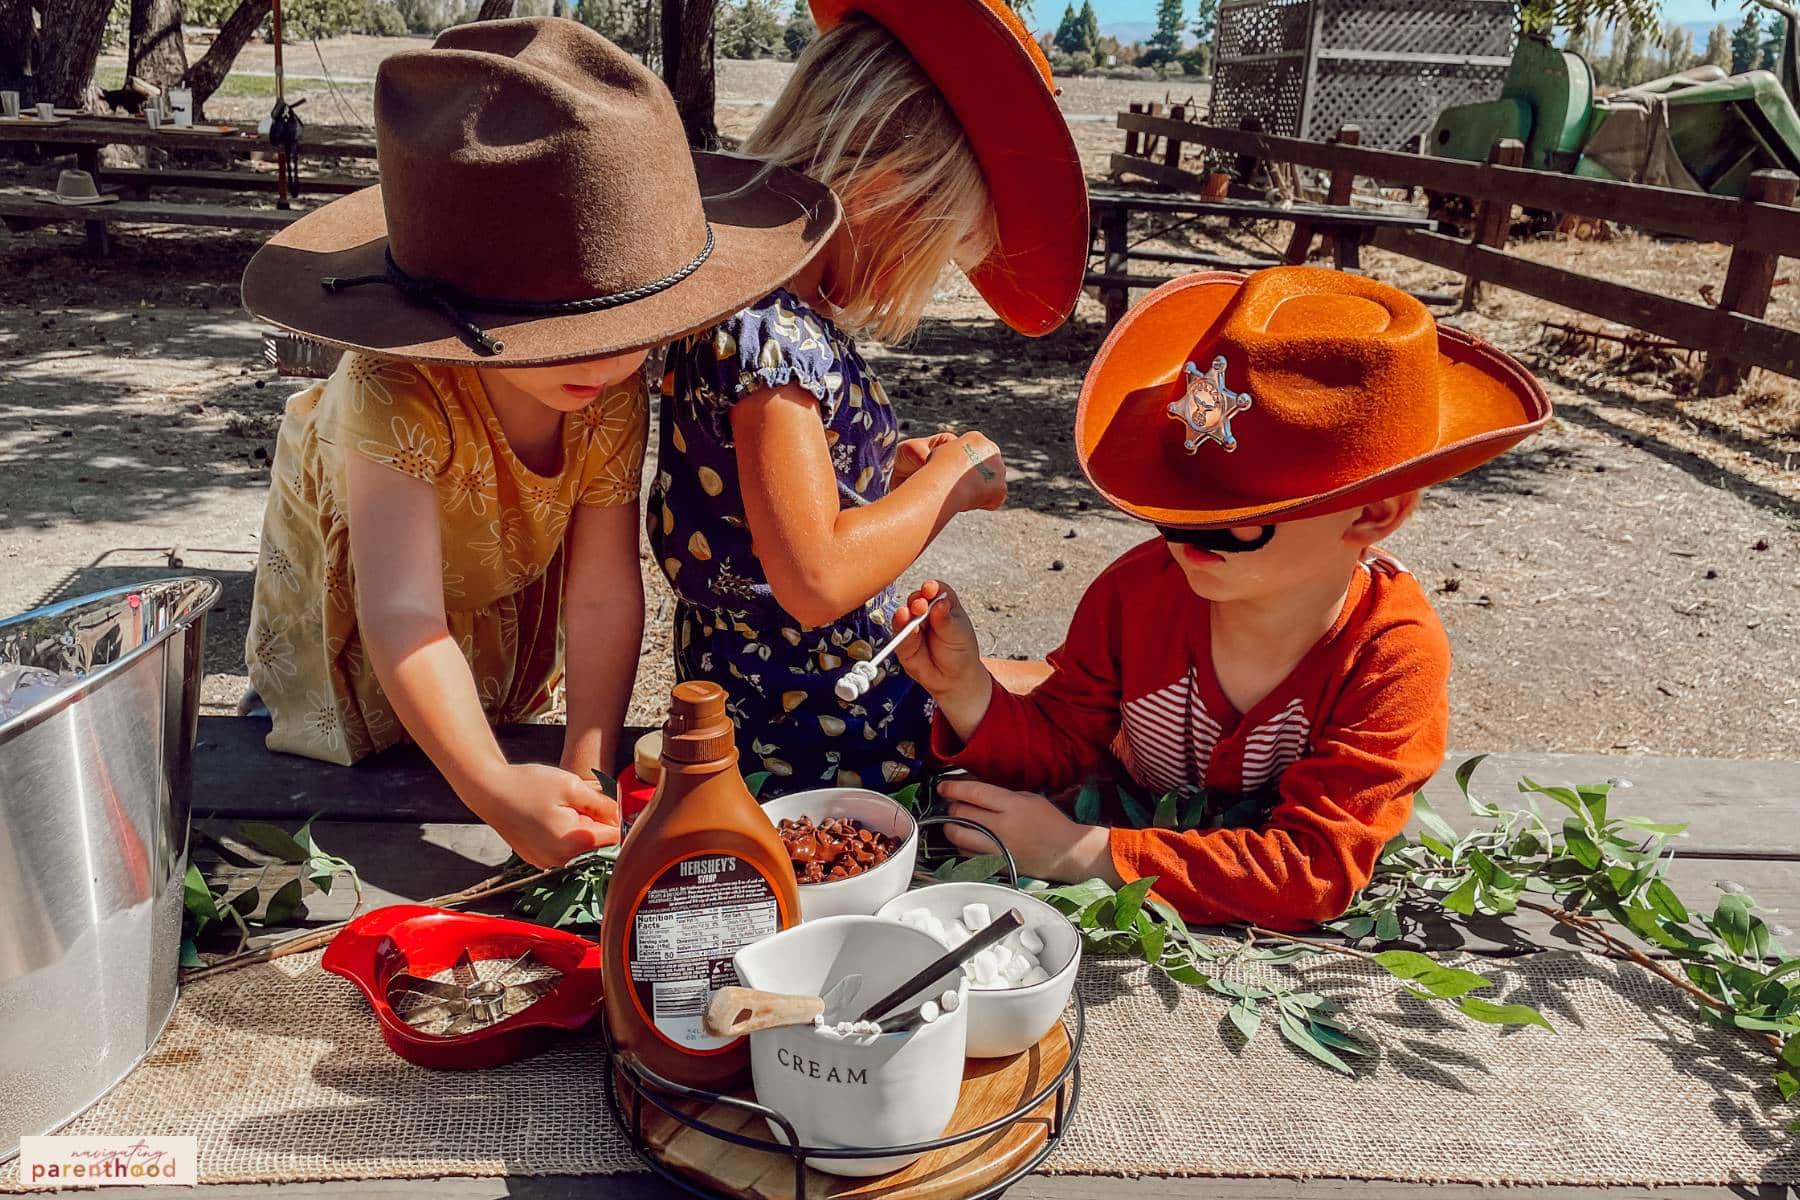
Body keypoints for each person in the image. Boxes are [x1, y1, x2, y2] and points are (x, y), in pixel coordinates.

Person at [237, 18, 839, 867]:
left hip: (483, 644)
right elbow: (401, 614)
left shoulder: (610, 392)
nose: (596, 359)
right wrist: (487, 785)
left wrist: (585, 768)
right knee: (347, 814)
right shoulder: (393, 389)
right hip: (356, 660)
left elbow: (599, 590)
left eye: (627, 323)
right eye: (549, 333)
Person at [891, 267, 1552, 928]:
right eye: (1171, 506)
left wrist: (1084, 854)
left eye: (1234, 515)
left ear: (1373, 514)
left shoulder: (1391, 656)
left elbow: (1314, 869)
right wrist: (967, 692)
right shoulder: (1137, 592)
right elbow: (1066, 740)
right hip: (1145, 820)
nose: (1183, 538)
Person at [651, 0, 1088, 794]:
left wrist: (885, 473)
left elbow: (765, 517)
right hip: (813, 751)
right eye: (943, 243)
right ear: (887, 190)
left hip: (802, 717)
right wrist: (945, 484)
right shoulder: (772, 337)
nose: (930, 281)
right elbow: (814, 577)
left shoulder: (767, 311)